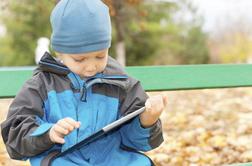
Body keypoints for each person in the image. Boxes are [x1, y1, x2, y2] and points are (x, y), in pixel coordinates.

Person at [1, 0, 168, 165]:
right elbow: (15, 134)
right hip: (62, 159)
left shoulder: (123, 84)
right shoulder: (41, 85)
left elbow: (139, 143)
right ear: (59, 52)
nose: (90, 67)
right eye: (79, 59)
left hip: (111, 158)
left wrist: (147, 121)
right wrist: (49, 133)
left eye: (100, 56)